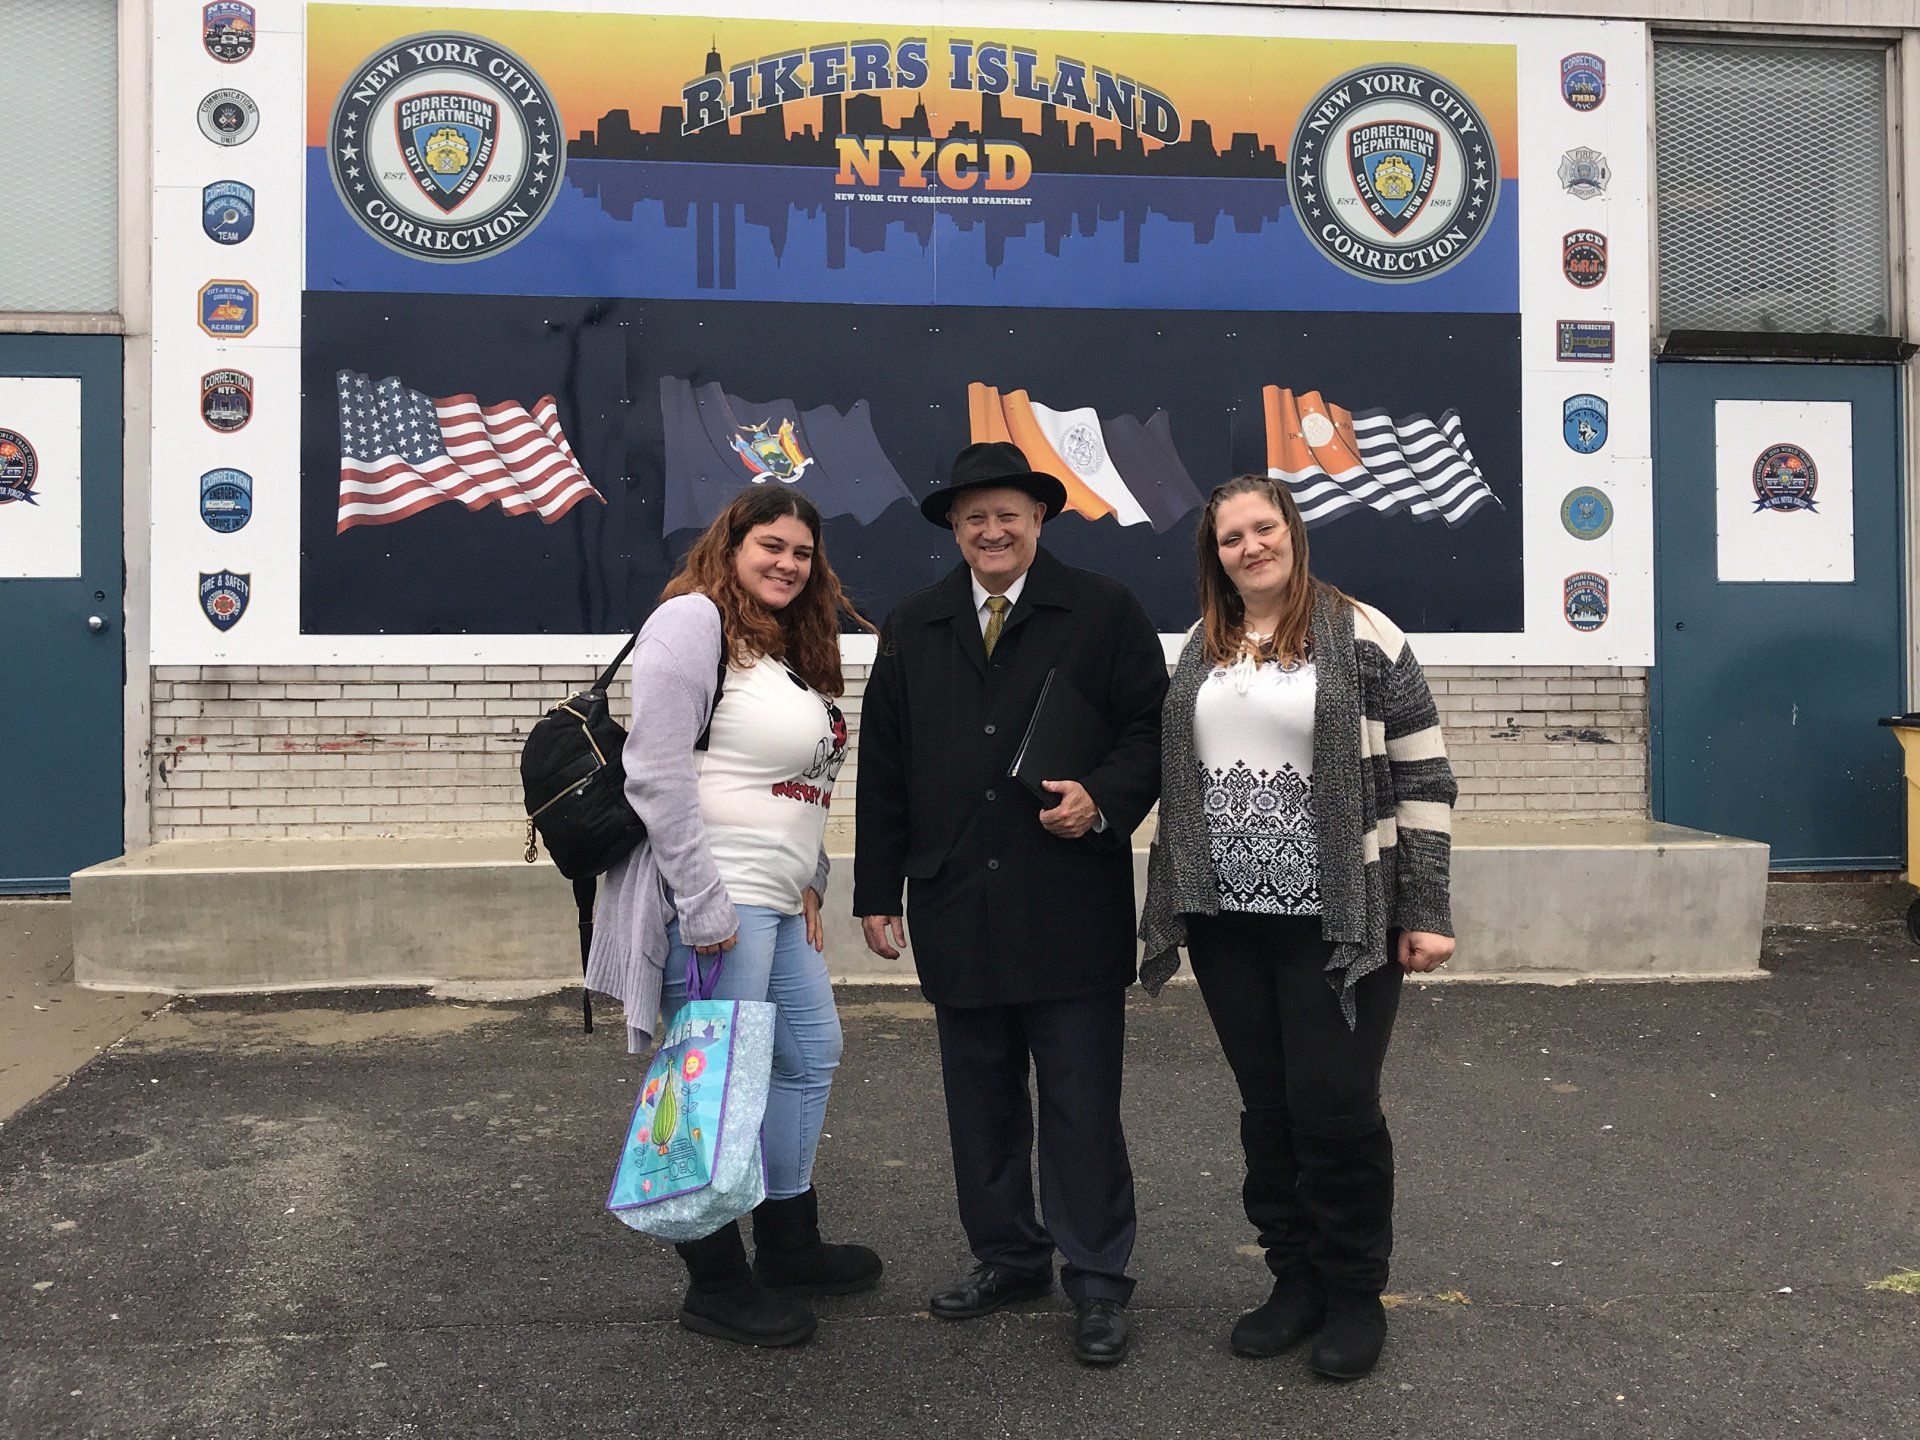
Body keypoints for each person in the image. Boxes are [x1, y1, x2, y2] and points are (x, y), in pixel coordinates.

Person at [853, 441, 1167, 1365]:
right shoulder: (915, 623)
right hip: (957, 902)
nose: (992, 531)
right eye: (974, 517)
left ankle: (1098, 1278)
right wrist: (879, 889)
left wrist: (1103, 797)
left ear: (1040, 522)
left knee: (1080, 1107)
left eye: (1009, 516)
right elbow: (887, 768)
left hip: (1067, 899)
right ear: (954, 527)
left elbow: (1154, 729)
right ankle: (1008, 1255)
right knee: (979, 1106)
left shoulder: (1103, 612)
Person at [1137, 474, 1457, 1380]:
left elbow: (1424, 778)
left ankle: (1355, 1294)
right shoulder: (1206, 643)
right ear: (1217, 555)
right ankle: (1295, 1282)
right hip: (1227, 917)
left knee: (1336, 1108)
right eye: (1231, 537)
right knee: (1269, 1108)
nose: (1250, 546)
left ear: (1293, 532)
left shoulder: (1364, 635)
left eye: (1262, 527)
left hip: (1339, 917)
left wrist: (1426, 912)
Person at [587, 486, 879, 1348]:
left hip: (778, 900)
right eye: (771, 546)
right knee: (711, 1088)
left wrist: (814, 876)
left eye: (801, 551)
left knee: (806, 1052)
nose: (787, 562)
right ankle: (715, 1284)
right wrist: (702, 900)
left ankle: (787, 1242)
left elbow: (804, 781)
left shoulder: (784, 648)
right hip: (718, 900)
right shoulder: (692, 622)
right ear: (732, 544)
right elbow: (655, 770)